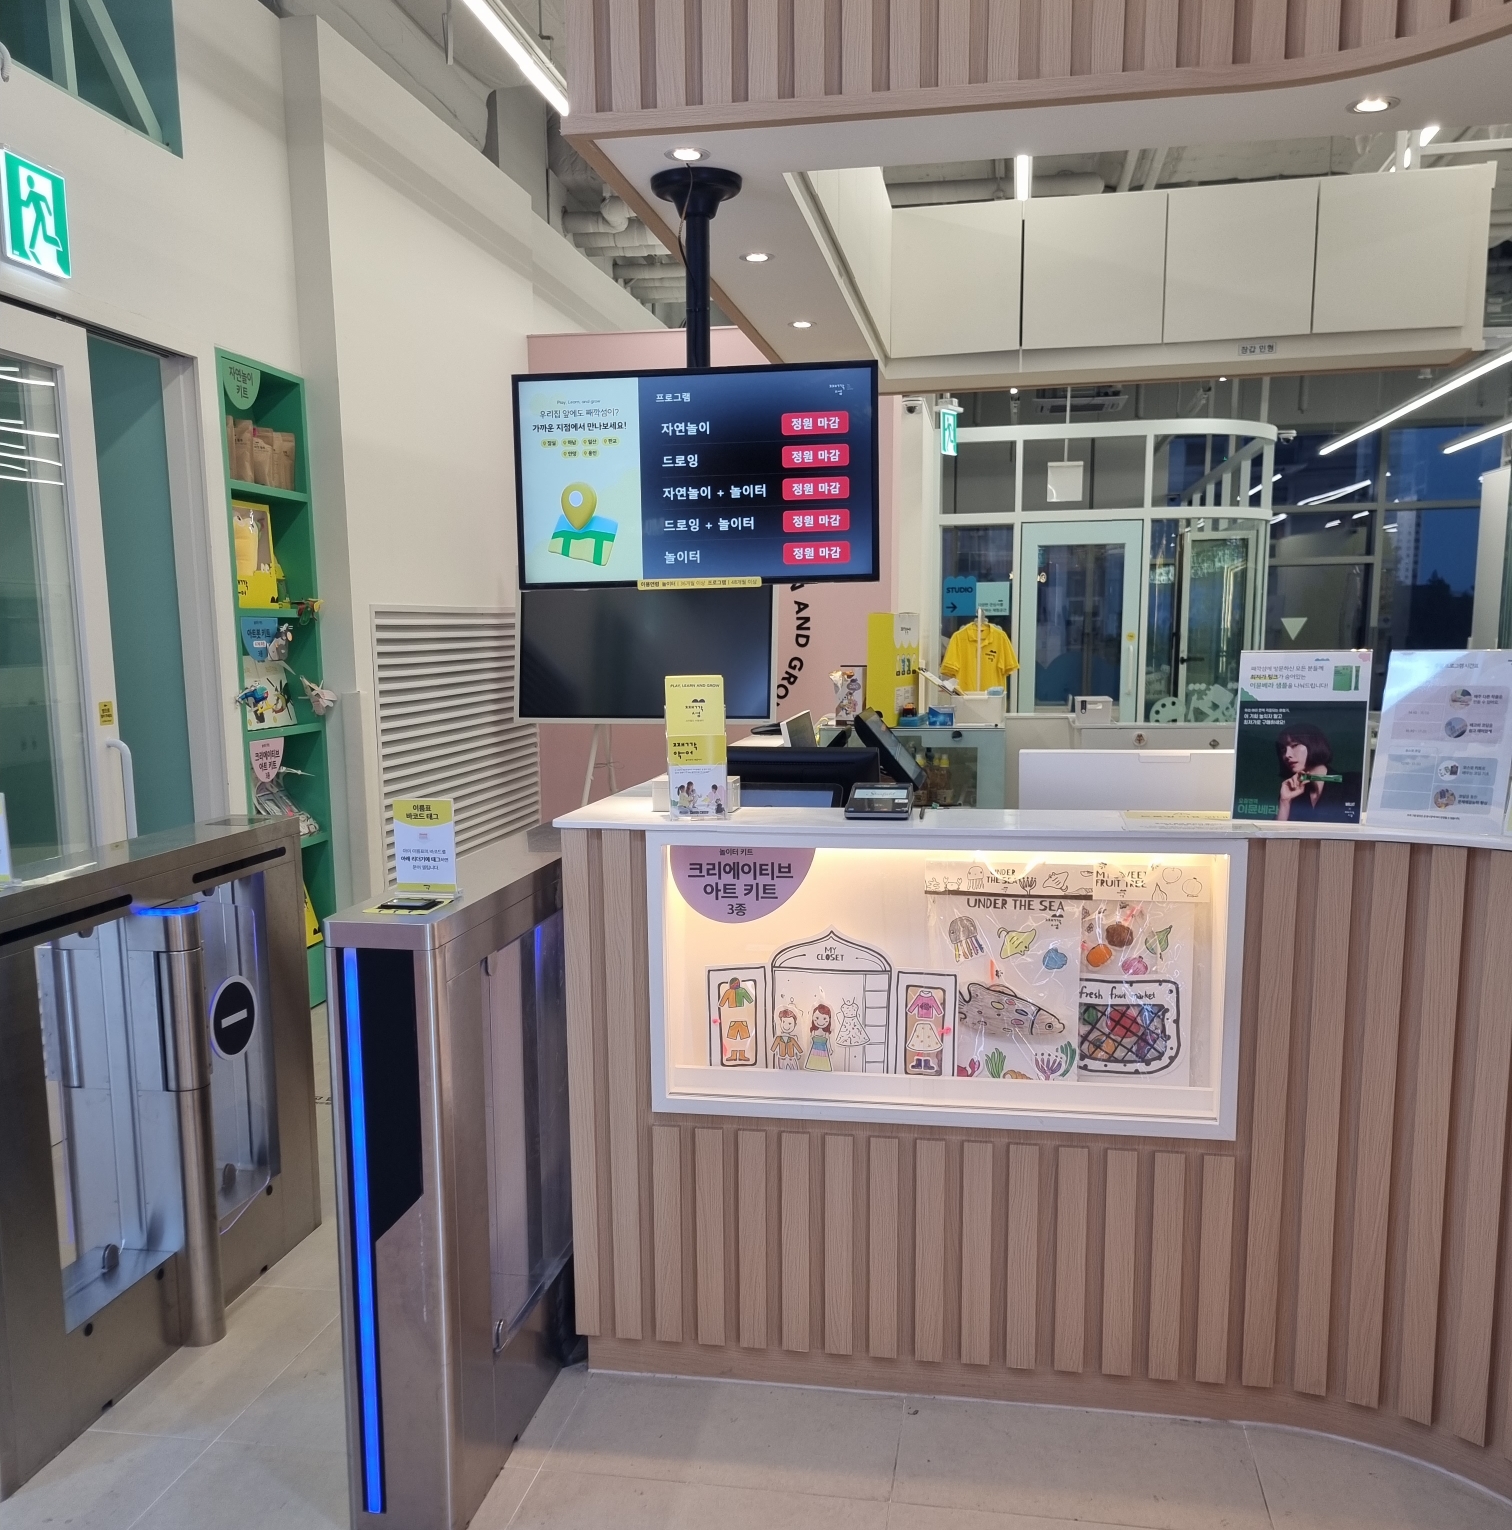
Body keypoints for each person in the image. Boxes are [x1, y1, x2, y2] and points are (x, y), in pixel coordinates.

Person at [1275, 723, 1356, 822]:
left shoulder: (1353, 784)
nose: (1287, 755)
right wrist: (1284, 801)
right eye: (1283, 750)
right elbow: (1277, 831)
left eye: (1294, 745)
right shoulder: (1292, 793)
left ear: (1313, 744)